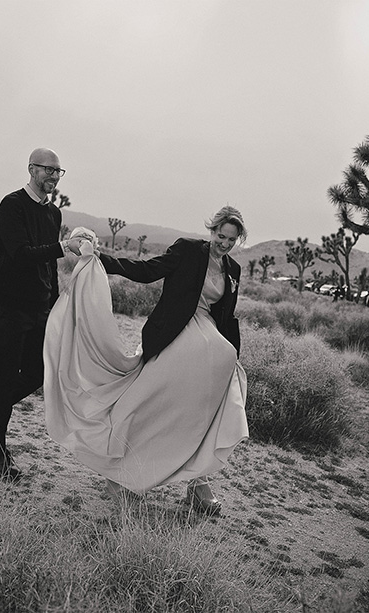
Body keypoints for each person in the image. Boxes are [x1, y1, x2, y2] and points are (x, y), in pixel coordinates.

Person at [43, 207, 249, 514]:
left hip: (208, 336)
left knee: (211, 393)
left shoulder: (232, 268)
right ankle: (121, 475)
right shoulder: (188, 250)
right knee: (153, 403)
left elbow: (225, 315)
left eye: (231, 240)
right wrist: (102, 260)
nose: (224, 243)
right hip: (176, 330)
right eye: (221, 236)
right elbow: (148, 270)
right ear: (212, 230)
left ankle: (197, 482)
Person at [0, 148, 88, 480]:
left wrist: (57, 306)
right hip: (9, 307)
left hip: (40, 308)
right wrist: (62, 248)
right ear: (32, 168)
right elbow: (18, 254)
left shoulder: (54, 214)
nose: (53, 177)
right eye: (49, 170)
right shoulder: (12, 205)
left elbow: (48, 265)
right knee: (4, 378)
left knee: (35, 373)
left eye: (58, 172)